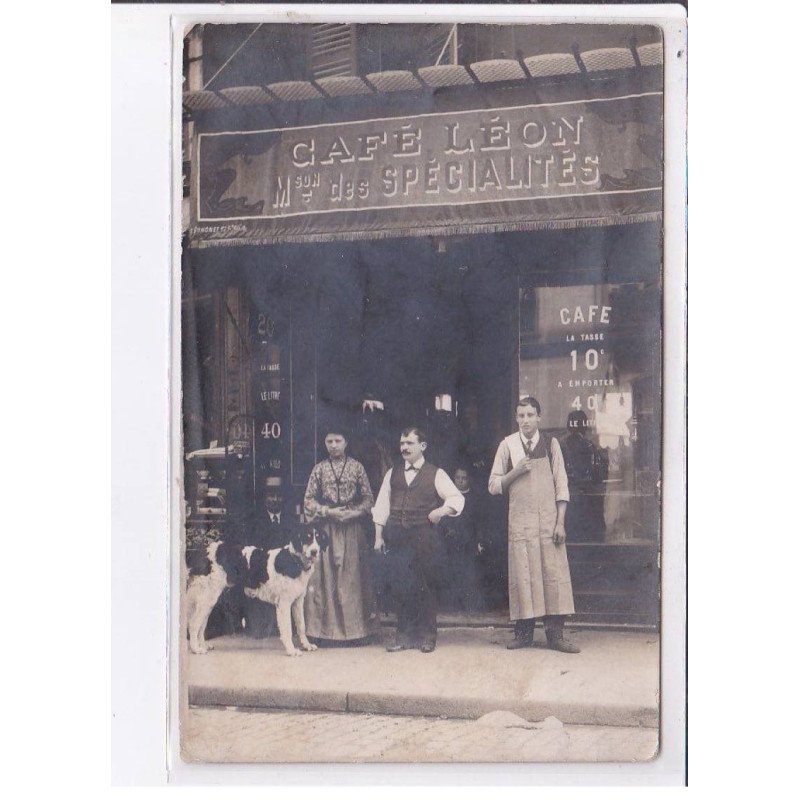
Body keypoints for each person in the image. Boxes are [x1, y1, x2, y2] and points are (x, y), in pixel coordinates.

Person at [488, 396, 580, 653]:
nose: (526, 420)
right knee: (524, 574)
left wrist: (560, 522)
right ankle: (523, 635)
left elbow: (561, 484)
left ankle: (556, 636)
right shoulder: (507, 445)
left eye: (530, 415)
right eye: (521, 416)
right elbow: (493, 485)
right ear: (516, 418)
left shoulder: (551, 444)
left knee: (553, 575)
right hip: (521, 524)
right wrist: (515, 471)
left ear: (539, 417)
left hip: (549, 523)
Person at [372, 426, 464, 653]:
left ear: (422, 446)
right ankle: (403, 636)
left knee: (426, 587)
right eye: (402, 443)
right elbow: (382, 505)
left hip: (425, 538)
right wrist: (378, 536)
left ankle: (427, 636)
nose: (404, 447)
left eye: (410, 443)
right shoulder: (392, 473)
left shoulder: (436, 473)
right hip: (398, 538)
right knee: (401, 586)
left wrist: (440, 512)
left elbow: (457, 498)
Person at [303, 429, 380, 645]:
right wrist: (328, 512)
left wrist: (352, 513)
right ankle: (325, 633)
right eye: (329, 441)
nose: (334, 445)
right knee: (325, 579)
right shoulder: (319, 469)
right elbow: (308, 501)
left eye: (338, 441)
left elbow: (369, 500)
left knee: (352, 578)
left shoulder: (357, 467)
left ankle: (356, 633)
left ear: (346, 442)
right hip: (327, 531)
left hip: (352, 530)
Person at [439, 465, 484, 612]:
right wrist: (447, 530)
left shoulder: (474, 500)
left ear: (468, 480)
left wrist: (478, 541)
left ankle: (470, 608)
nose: (460, 481)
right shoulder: (448, 498)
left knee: (469, 575)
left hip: (468, 544)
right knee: (451, 574)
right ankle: (452, 607)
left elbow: (478, 522)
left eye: (463, 478)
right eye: (457, 478)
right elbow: (443, 518)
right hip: (451, 544)